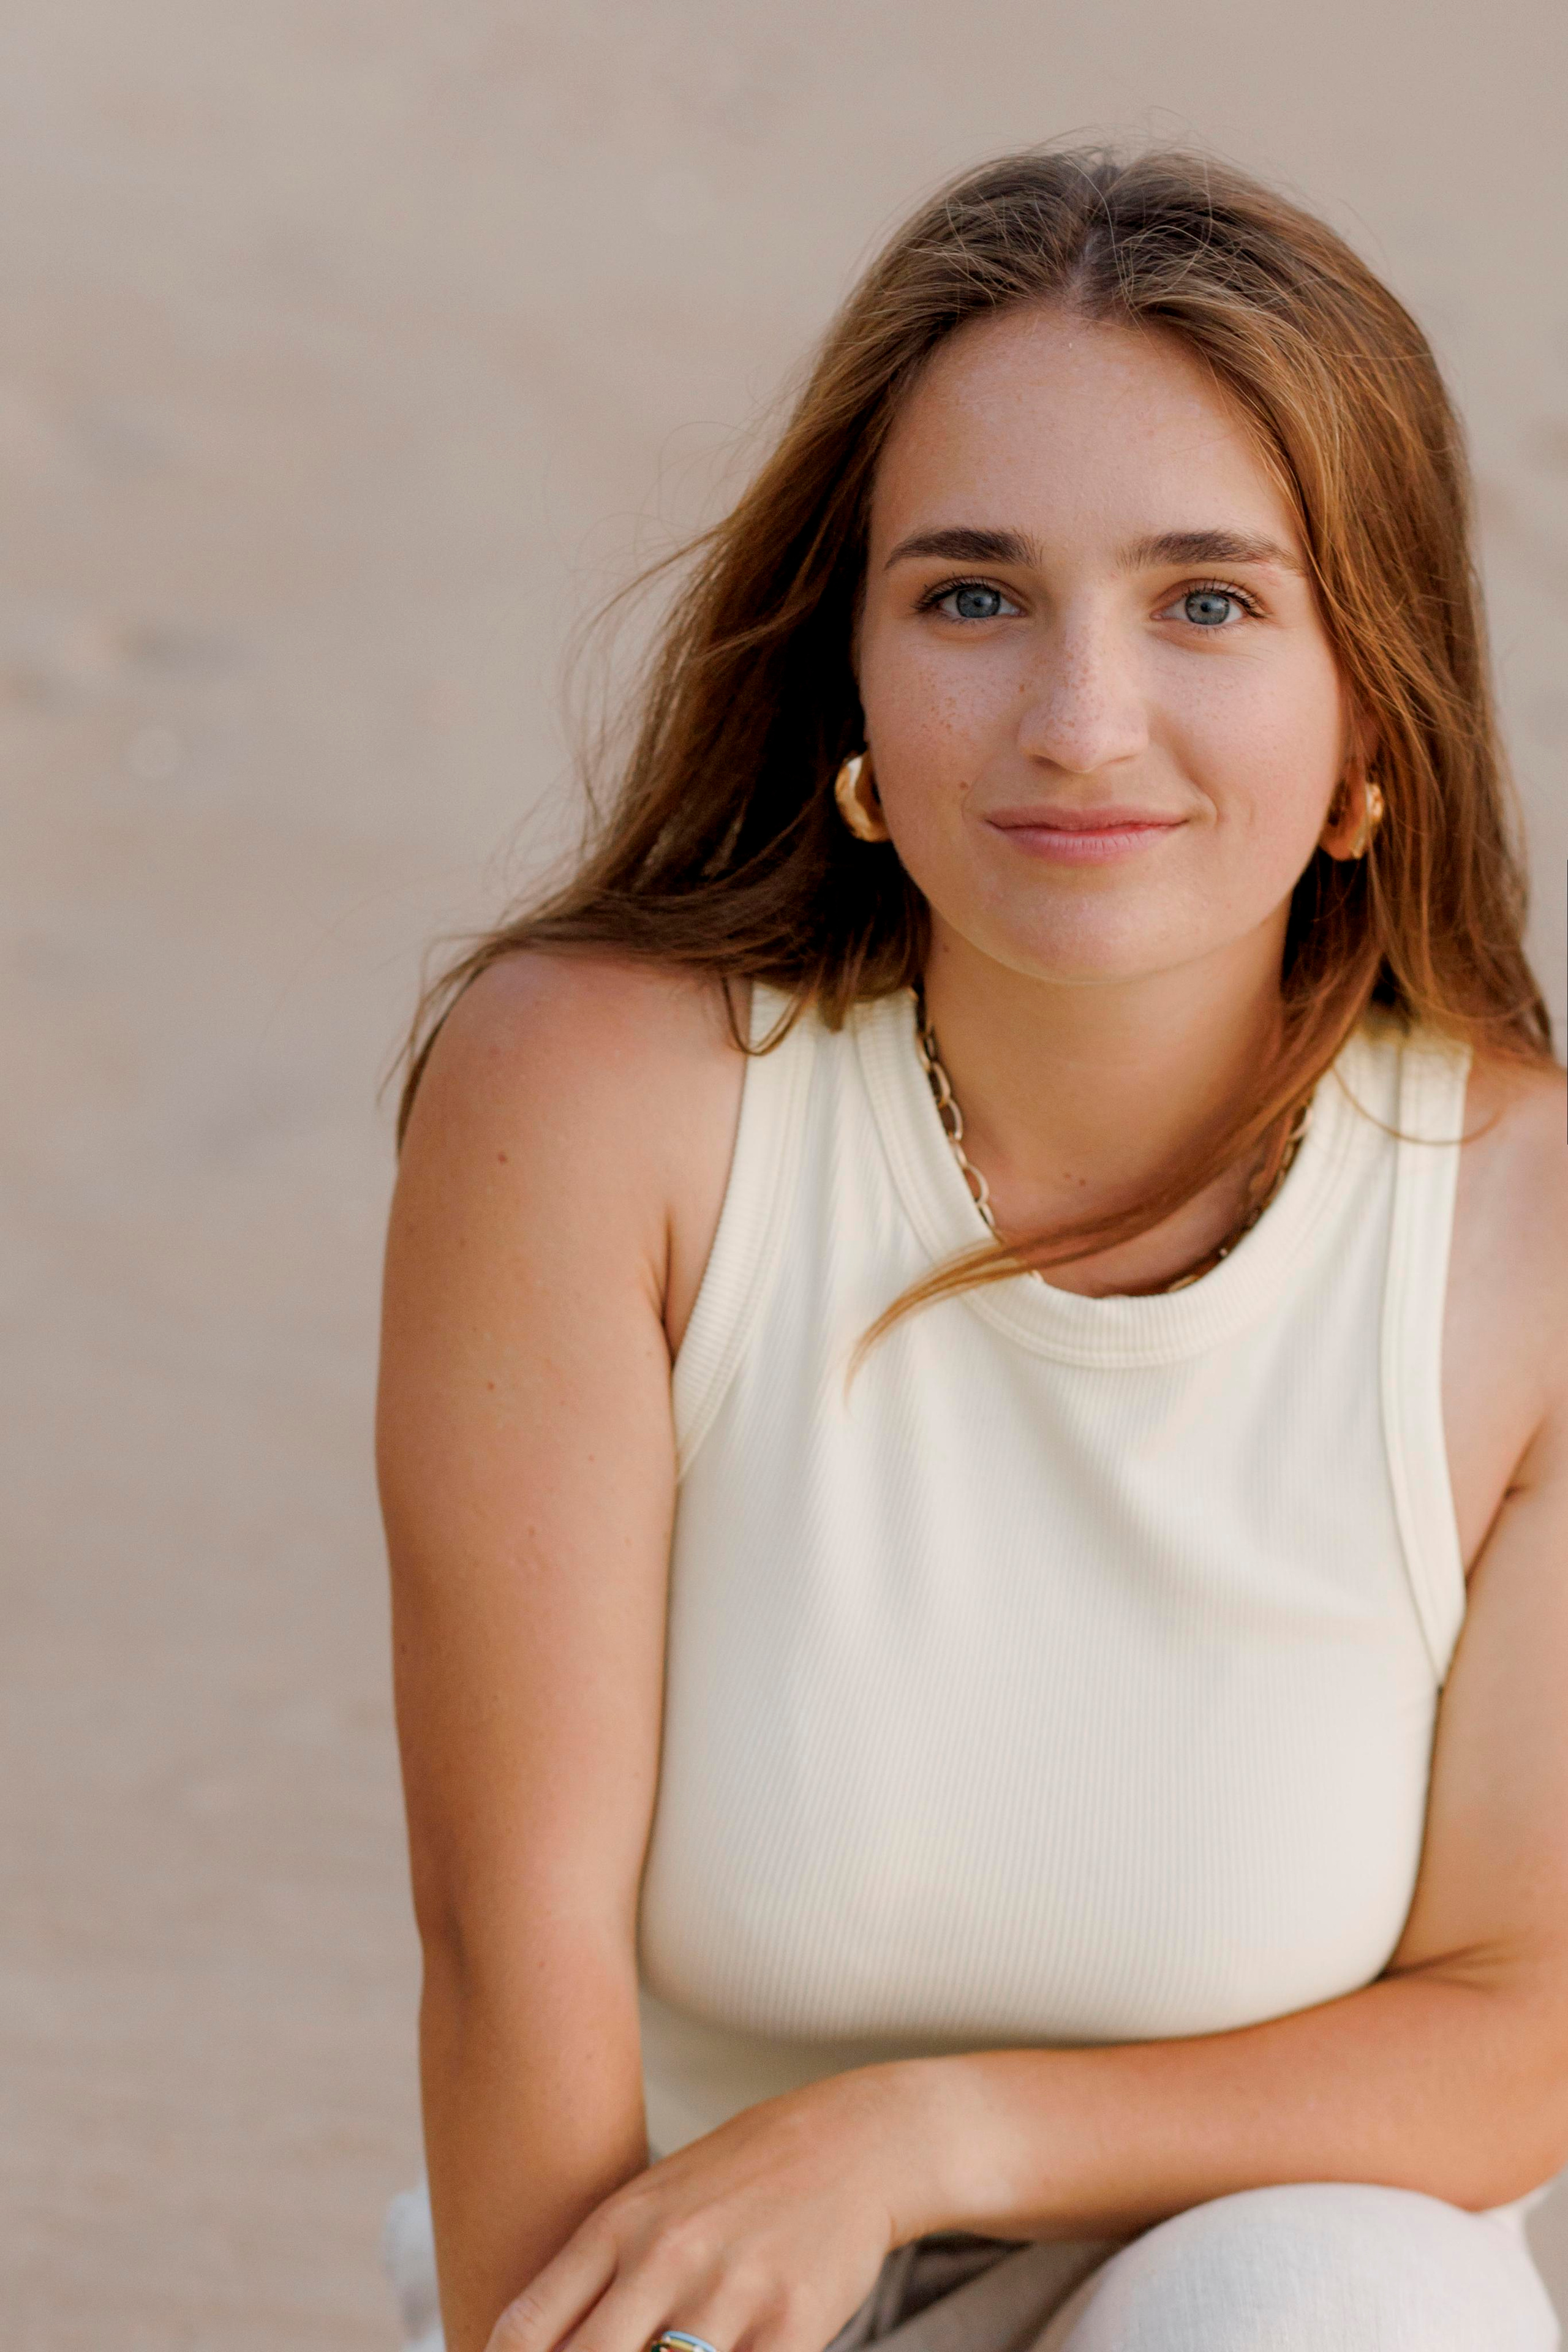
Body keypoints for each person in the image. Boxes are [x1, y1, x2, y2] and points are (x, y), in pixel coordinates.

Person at [375, 148, 1568, 2352]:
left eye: (1209, 601)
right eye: (972, 596)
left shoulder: (1523, 1227)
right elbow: (502, 1935)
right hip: (691, 2268)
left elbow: (1520, 2030)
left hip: (1272, 2281)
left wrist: (919, 2133)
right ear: (847, 686)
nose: (1079, 720)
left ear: (1366, 729)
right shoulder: (605, 1099)